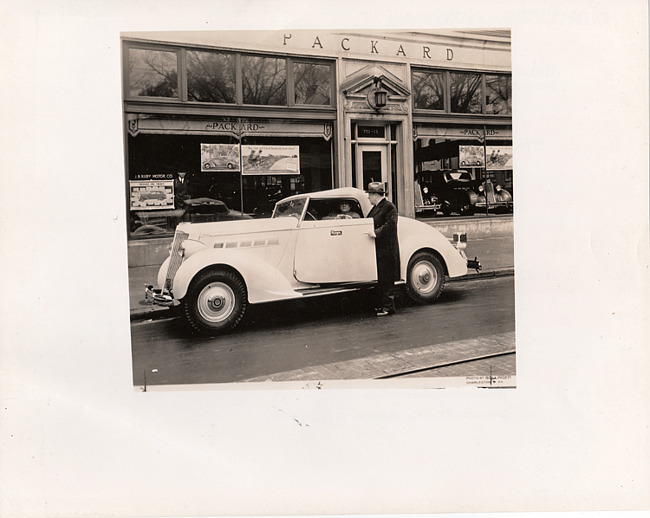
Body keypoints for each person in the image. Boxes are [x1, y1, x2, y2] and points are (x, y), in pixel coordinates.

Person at [366, 182, 400, 316]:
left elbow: (391, 225)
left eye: (370, 194)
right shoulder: (376, 208)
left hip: (387, 249)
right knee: (382, 279)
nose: (368, 198)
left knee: (387, 280)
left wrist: (376, 232)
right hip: (380, 250)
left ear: (375, 195)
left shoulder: (389, 207)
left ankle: (388, 308)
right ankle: (382, 306)